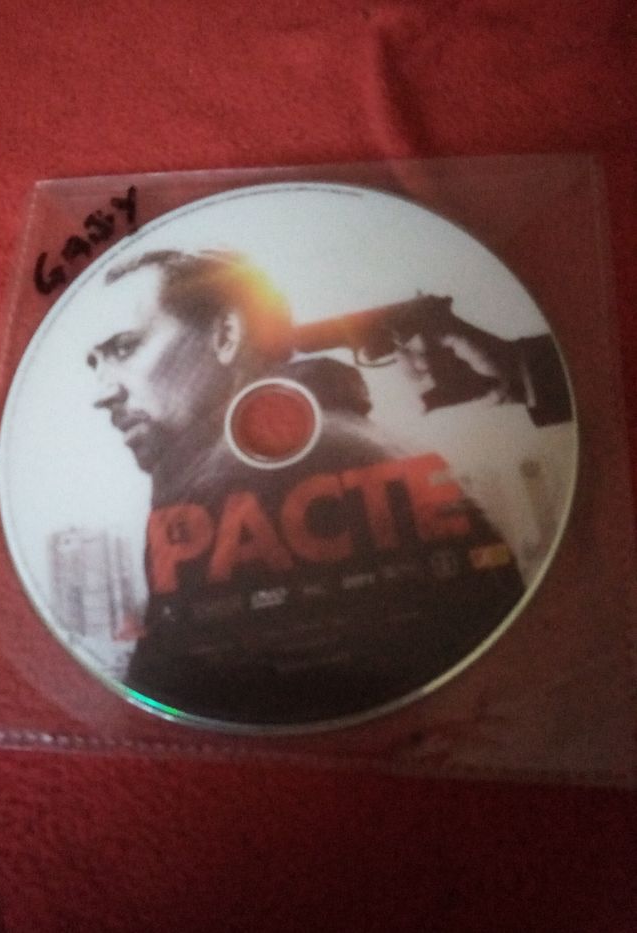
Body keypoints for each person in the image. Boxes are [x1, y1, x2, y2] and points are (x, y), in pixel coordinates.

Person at [87, 249, 528, 726]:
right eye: (94, 363)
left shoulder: (222, 493)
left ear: (227, 335)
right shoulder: (349, 438)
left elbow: (171, 709)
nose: (101, 392)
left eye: (124, 348)